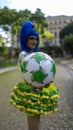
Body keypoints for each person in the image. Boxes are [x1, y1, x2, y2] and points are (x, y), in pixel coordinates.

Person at [10, 21, 60, 130]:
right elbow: (24, 74)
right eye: (31, 38)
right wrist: (40, 83)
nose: (34, 41)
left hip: (39, 86)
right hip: (31, 88)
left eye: (36, 39)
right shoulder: (24, 55)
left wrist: (46, 80)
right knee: (33, 115)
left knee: (37, 114)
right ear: (25, 39)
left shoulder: (37, 55)